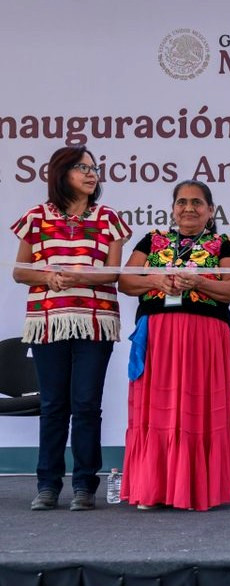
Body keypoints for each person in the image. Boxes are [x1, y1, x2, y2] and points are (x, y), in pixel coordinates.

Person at [10, 145, 130, 511]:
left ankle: (84, 485)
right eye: (82, 167)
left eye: (94, 168)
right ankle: (47, 484)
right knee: (53, 404)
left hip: (96, 320)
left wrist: (77, 275)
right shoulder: (36, 217)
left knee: (86, 404)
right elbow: (20, 271)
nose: (92, 174)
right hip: (48, 320)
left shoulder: (109, 217)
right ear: (61, 173)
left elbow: (112, 273)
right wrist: (49, 277)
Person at [118, 180, 230, 511]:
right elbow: (126, 281)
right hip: (158, 336)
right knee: (158, 411)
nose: (189, 208)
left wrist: (201, 282)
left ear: (210, 210)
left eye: (197, 202)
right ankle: (153, 487)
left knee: (197, 412)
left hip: (204, 338)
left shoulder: (224, 244)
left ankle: (197, 489)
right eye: (182, 202)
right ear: (173, 208)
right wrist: (156, 280)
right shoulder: (152, 240)